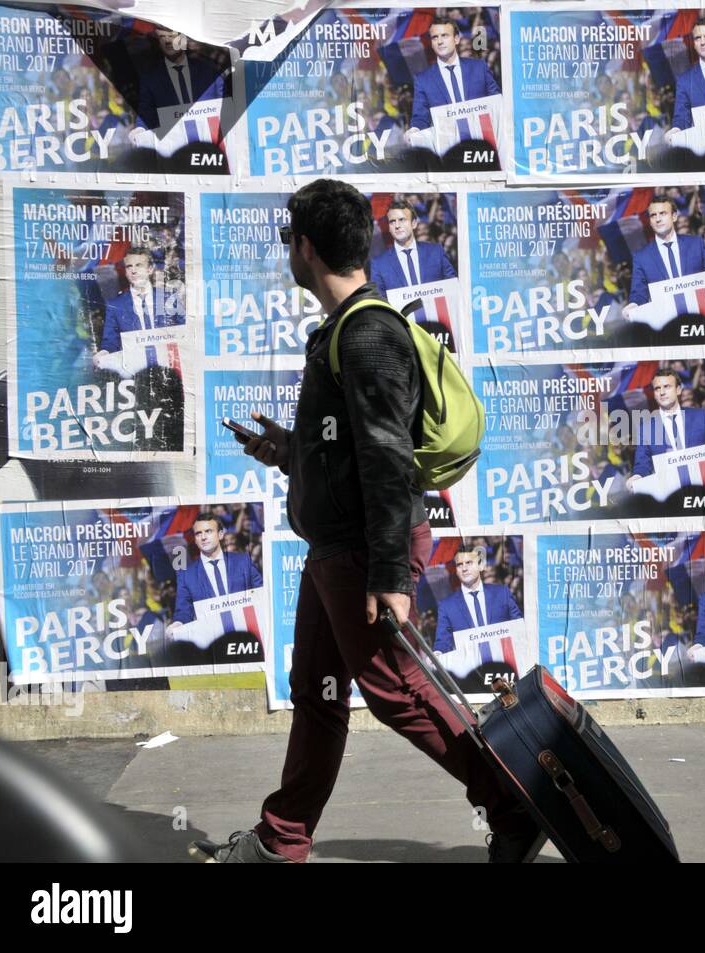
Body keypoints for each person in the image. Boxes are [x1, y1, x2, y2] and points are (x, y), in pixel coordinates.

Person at [188, 178, 541, 864]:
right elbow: (355, 447)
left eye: (291, 242)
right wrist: (291, 451)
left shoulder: (369, 333)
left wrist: (388, 574)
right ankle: (280, 839)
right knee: (318, 694)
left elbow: (387, 459)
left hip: (361, 552)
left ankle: (512, 805)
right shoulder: (348, 330)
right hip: (335, 550)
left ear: (306, 248)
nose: (288, 252)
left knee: (394, 690)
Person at [404, 16, 501, 140]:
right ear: (432, 43)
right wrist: (415, 130)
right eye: (435, 37)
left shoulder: (479, 67)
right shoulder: (423, 80)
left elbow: (496, 102)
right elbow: (420, 118)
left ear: (456, 39)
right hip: (449, 148)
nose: (439, 41)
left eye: (444, 35)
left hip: (483, 141)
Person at [130, 28, 226, 142]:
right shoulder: (150, 79)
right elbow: (146, 113)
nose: (167, 41)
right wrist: (140, 130)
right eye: (162, 37)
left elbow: (224, 106)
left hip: (210, 141)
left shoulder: (208, 71)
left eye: (172, 36)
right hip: (174, 147)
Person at [168, 512, 263, 628]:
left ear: (220, 534)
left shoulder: (243, 561)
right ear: (195, 539)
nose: (203, 537)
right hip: (211, 639)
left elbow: (260, 594)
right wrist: (177, 624)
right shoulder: (186, 575)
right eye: (198, 533)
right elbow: (183, 611)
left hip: (245, 632)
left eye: (208, 531)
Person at [94, 247, 183, 370]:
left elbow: (184, 332)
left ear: (150, 269)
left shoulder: (169, 297)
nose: (133, 271)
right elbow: (110, 342)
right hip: (136, 371)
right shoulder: (115, 305)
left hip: (170, 369)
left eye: (139, 265)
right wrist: (103, 352)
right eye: (129, 266)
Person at [628, 368, 705, 484]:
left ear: (678, 390)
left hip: (702, 486)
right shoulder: (646, 428)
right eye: (657, 388)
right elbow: (642, 463)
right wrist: (637, 477)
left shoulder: (699, 416)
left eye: (667, 386)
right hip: (669, 491)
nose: (662, 392)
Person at [626, 196, 705, 310]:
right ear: (650, 221)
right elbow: (639, 294)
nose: (658, 219)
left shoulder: (695, 244)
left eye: (663, 213)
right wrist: (634, 306)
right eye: (653, 215)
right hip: (667, 321)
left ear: (674, 216)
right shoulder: (641, 257)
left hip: (699, 314)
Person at [433, 546, 522, 653]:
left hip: (505, 663)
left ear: (480, 566)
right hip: (471, 667)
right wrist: (437, 653)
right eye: (459, 565)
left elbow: (519, 627)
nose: (464, 569)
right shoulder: (447, 606)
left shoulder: (502, 593)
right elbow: (442, 642)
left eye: (469, 563)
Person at [369, 199, 456, 296]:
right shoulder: (379, 263)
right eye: (392, 221)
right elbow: (379, 300)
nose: (397, 225)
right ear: (389, 227)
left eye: (402, 220)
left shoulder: (436, 252)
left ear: (414, 224)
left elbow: (453, 288)